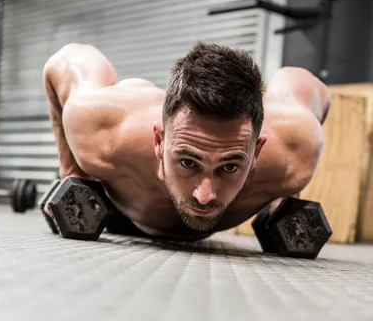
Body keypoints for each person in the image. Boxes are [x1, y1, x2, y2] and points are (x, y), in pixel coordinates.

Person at [43, 41, 330, 240]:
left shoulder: (295, 152)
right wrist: (73, 172)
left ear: (257, 151)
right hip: (117, 210)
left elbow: (307, 84)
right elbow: (65, 59)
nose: (205, 196)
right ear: (158, 140)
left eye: (229, 167)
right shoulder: (105, 131)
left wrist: (287, 194)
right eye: (187, 162)